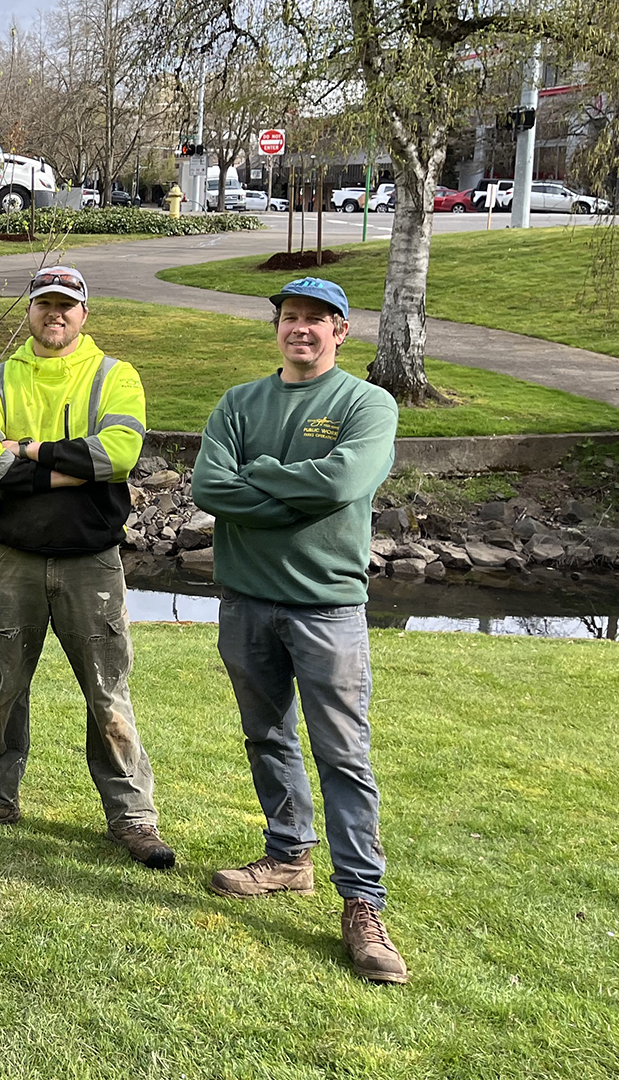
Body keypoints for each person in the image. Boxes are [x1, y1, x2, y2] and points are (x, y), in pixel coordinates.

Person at [189, 277, 407, 984]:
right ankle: (288, 859)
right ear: (277, 327)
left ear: (342, 332)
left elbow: (343, 483)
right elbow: (209, 489)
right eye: (291, 317)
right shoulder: (239, 402)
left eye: (318, 319)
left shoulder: (367, 403)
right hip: (246, 602)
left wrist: (264, 479)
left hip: (326, 607)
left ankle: (364, 904)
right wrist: (293, 491)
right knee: (268, 737)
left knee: (343, 754)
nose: (302, 329)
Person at [0, 265, 176, 870]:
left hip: (91, 565)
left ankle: (132, 814)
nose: (56, 314)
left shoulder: (114, 377)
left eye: (67, 305)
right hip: (11, 562)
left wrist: (25, 450)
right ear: (29, 310)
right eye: (45, 303)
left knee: (108, 692)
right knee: (4, 686)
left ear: (84, 313)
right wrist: (72, 467)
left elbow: (119, 453)